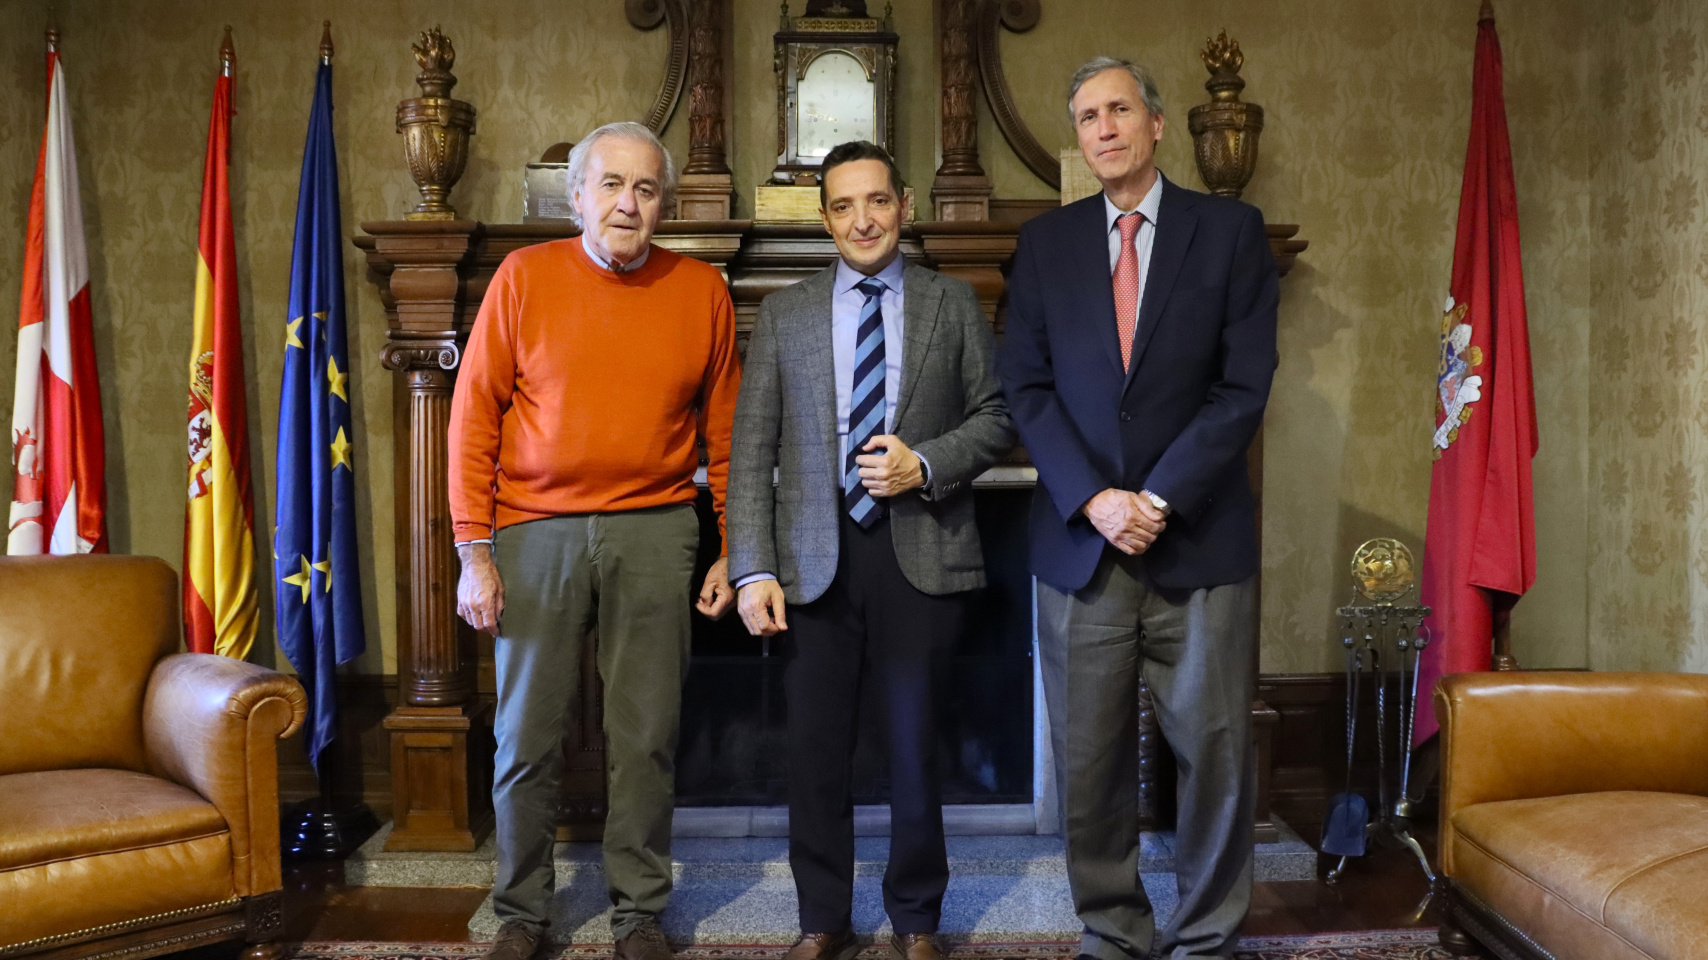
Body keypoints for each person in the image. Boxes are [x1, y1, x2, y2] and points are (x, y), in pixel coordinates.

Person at [997, 58, 1281, 960]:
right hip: (1082, 548)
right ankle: (1113, 930)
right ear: (1077, 138)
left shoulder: (1230, 232)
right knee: (1089, 763)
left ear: (1156, 124)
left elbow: (1243, 388)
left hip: (1197, 542)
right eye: (1086, 116)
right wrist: (1097, 499)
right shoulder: (1044, 246)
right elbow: (1026, 388)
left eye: (1120, 108)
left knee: (1216, 758)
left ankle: (1206, 936)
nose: (1104, 127)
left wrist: (1156, 497)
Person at [448, 121, 740, 960]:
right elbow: (471, 422)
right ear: (576, 196)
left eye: (646, 189)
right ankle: (520, 912)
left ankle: (640, 911)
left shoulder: (701, 291)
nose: (628, 203)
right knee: (526, 737)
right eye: (611, 185)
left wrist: (731, 547)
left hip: (657, 530)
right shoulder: (522, 278)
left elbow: (725, 435)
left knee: (645, 733)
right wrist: (474, 551)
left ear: (665, 206)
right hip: (533, 531)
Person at [726, 141, 1014, 960]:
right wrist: (752, 568)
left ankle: (917, 919)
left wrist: (925, 464)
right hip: (813, 562)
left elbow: (994, 419)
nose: (863, 219)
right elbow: (752, 450)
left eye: (877, 202)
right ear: (825, 219)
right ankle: (823, 920)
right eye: (845, 206)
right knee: (815, 752)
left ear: (905, 206)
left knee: (915, 745)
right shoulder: (784, 313)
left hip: (918, 552)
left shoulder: (952, 304)